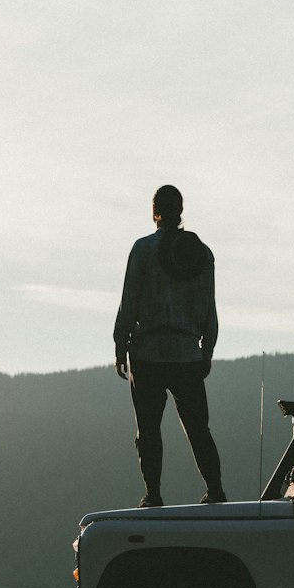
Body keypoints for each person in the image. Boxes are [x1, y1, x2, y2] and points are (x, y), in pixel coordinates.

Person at [114, 184, 226, 507]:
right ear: (180, 211)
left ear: (155, 212)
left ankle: (153, 495)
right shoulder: (202, 253)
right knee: (198, 428)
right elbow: (209, 305)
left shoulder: (143, 250)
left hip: (147, 354)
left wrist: (120, 343)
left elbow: (129, 301)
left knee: (148, 430)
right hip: (187, 354)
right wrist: (207, 349)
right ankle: (215, 490)